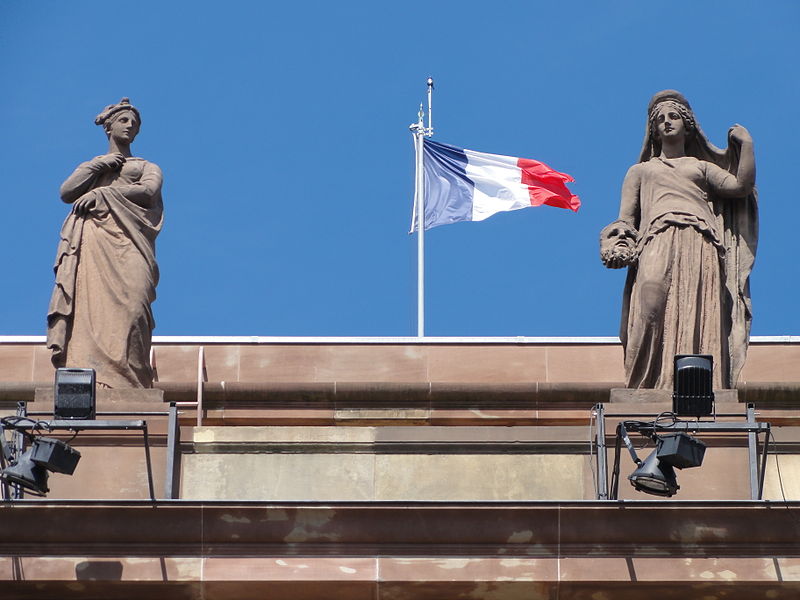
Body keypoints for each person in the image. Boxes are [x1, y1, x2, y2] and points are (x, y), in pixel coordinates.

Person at [600, 90, 757, 389]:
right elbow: (625, 219)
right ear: (654, 131)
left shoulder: (699, 167)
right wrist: (616, 242)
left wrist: (746, 146)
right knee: (650, 301)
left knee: (700, 307)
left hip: (700, 241)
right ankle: (642, 385)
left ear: (687, 124)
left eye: (673, 117)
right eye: (660, 119)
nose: (667, 123)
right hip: (656, 239)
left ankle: (697, 381)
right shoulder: (640, 171)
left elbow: (740, 186)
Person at [47, 98, 163, 388]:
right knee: (88, 311)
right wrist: (99, 166)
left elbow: (149, 191)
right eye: (124, 120)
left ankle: (132, 379)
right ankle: (89, 377)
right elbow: (67, 192)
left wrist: (103, 195)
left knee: (136, 307)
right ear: (108, 126)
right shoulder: (94, 166)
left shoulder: (147, 165)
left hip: (131, 242)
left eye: (134, 123)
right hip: (94, 242)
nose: (130, 126)